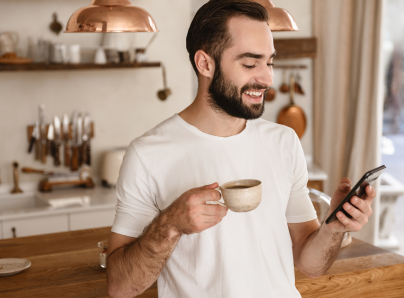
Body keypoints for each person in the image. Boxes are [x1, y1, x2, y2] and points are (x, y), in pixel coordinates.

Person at [106, 1, 376, 297]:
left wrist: (334, 228)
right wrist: (170, 225)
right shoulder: (148, 154)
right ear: (205, 63)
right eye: (250, 64)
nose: (267, 79)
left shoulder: (284, 142)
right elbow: (120, 287)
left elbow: (309, 264)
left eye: (269, 62)